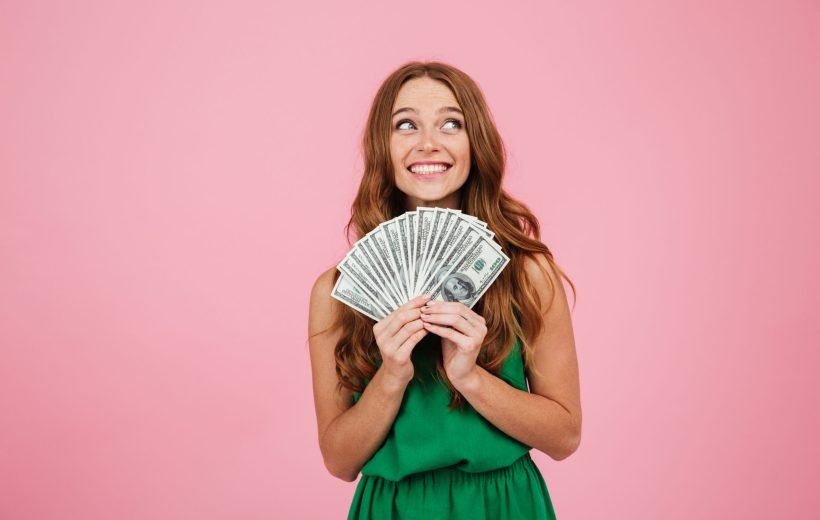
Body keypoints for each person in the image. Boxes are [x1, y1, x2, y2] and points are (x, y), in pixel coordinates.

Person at [308, 61, 581, 519]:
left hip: (504, 505)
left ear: (476, 144)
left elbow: (565, 437)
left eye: (451, 123)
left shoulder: (528, 273)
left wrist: (469, 377)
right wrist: (392, 375)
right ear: (383, 146)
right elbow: (339, 460)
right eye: (406, 124)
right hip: (393, 508)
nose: (427, 143)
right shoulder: (337, 293)